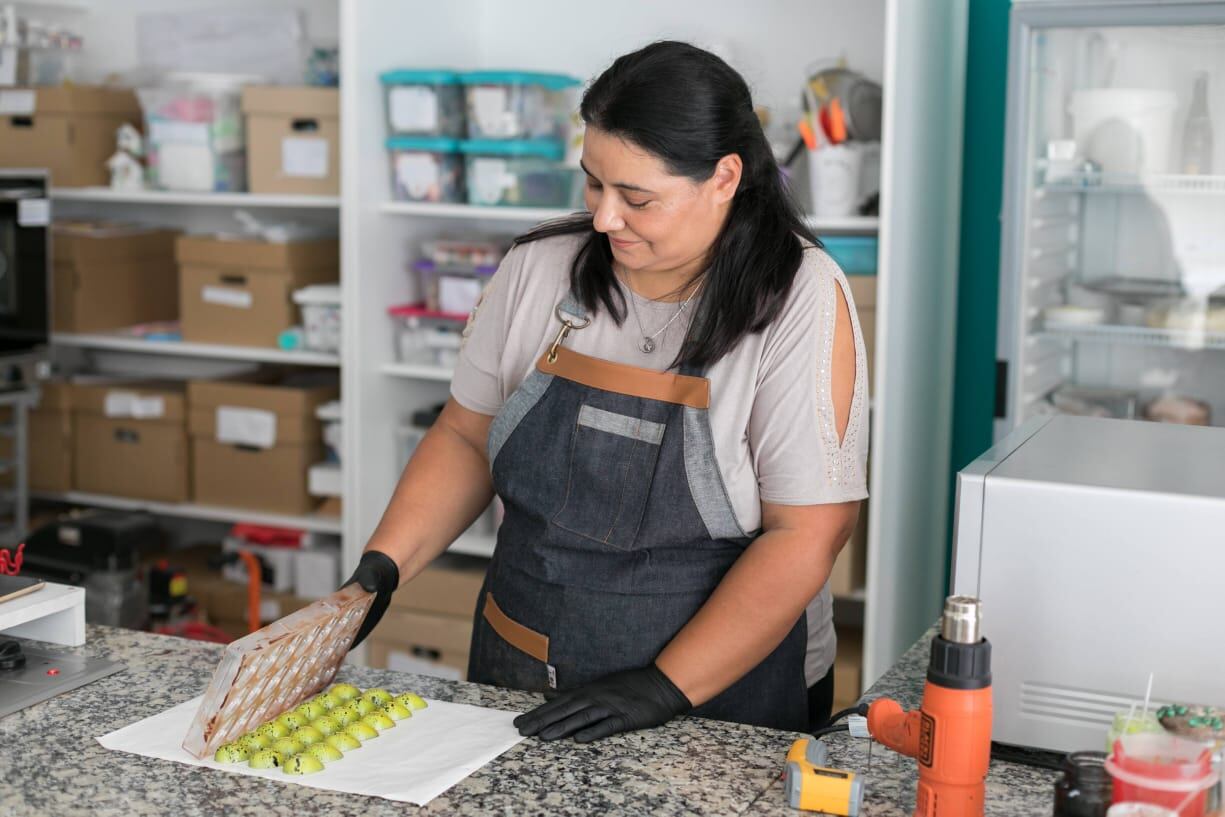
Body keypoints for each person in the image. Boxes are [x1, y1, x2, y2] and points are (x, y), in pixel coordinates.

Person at [344, 40, 869, 742]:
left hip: (714, 691)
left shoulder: (801, 296)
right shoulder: (538, 267)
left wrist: (663, 684)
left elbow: (809, 531)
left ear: (724, 177)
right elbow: (466, 435)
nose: (603, 219)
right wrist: (382, 566)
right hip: (521, 663)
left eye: (637, 197)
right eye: (593, 183)